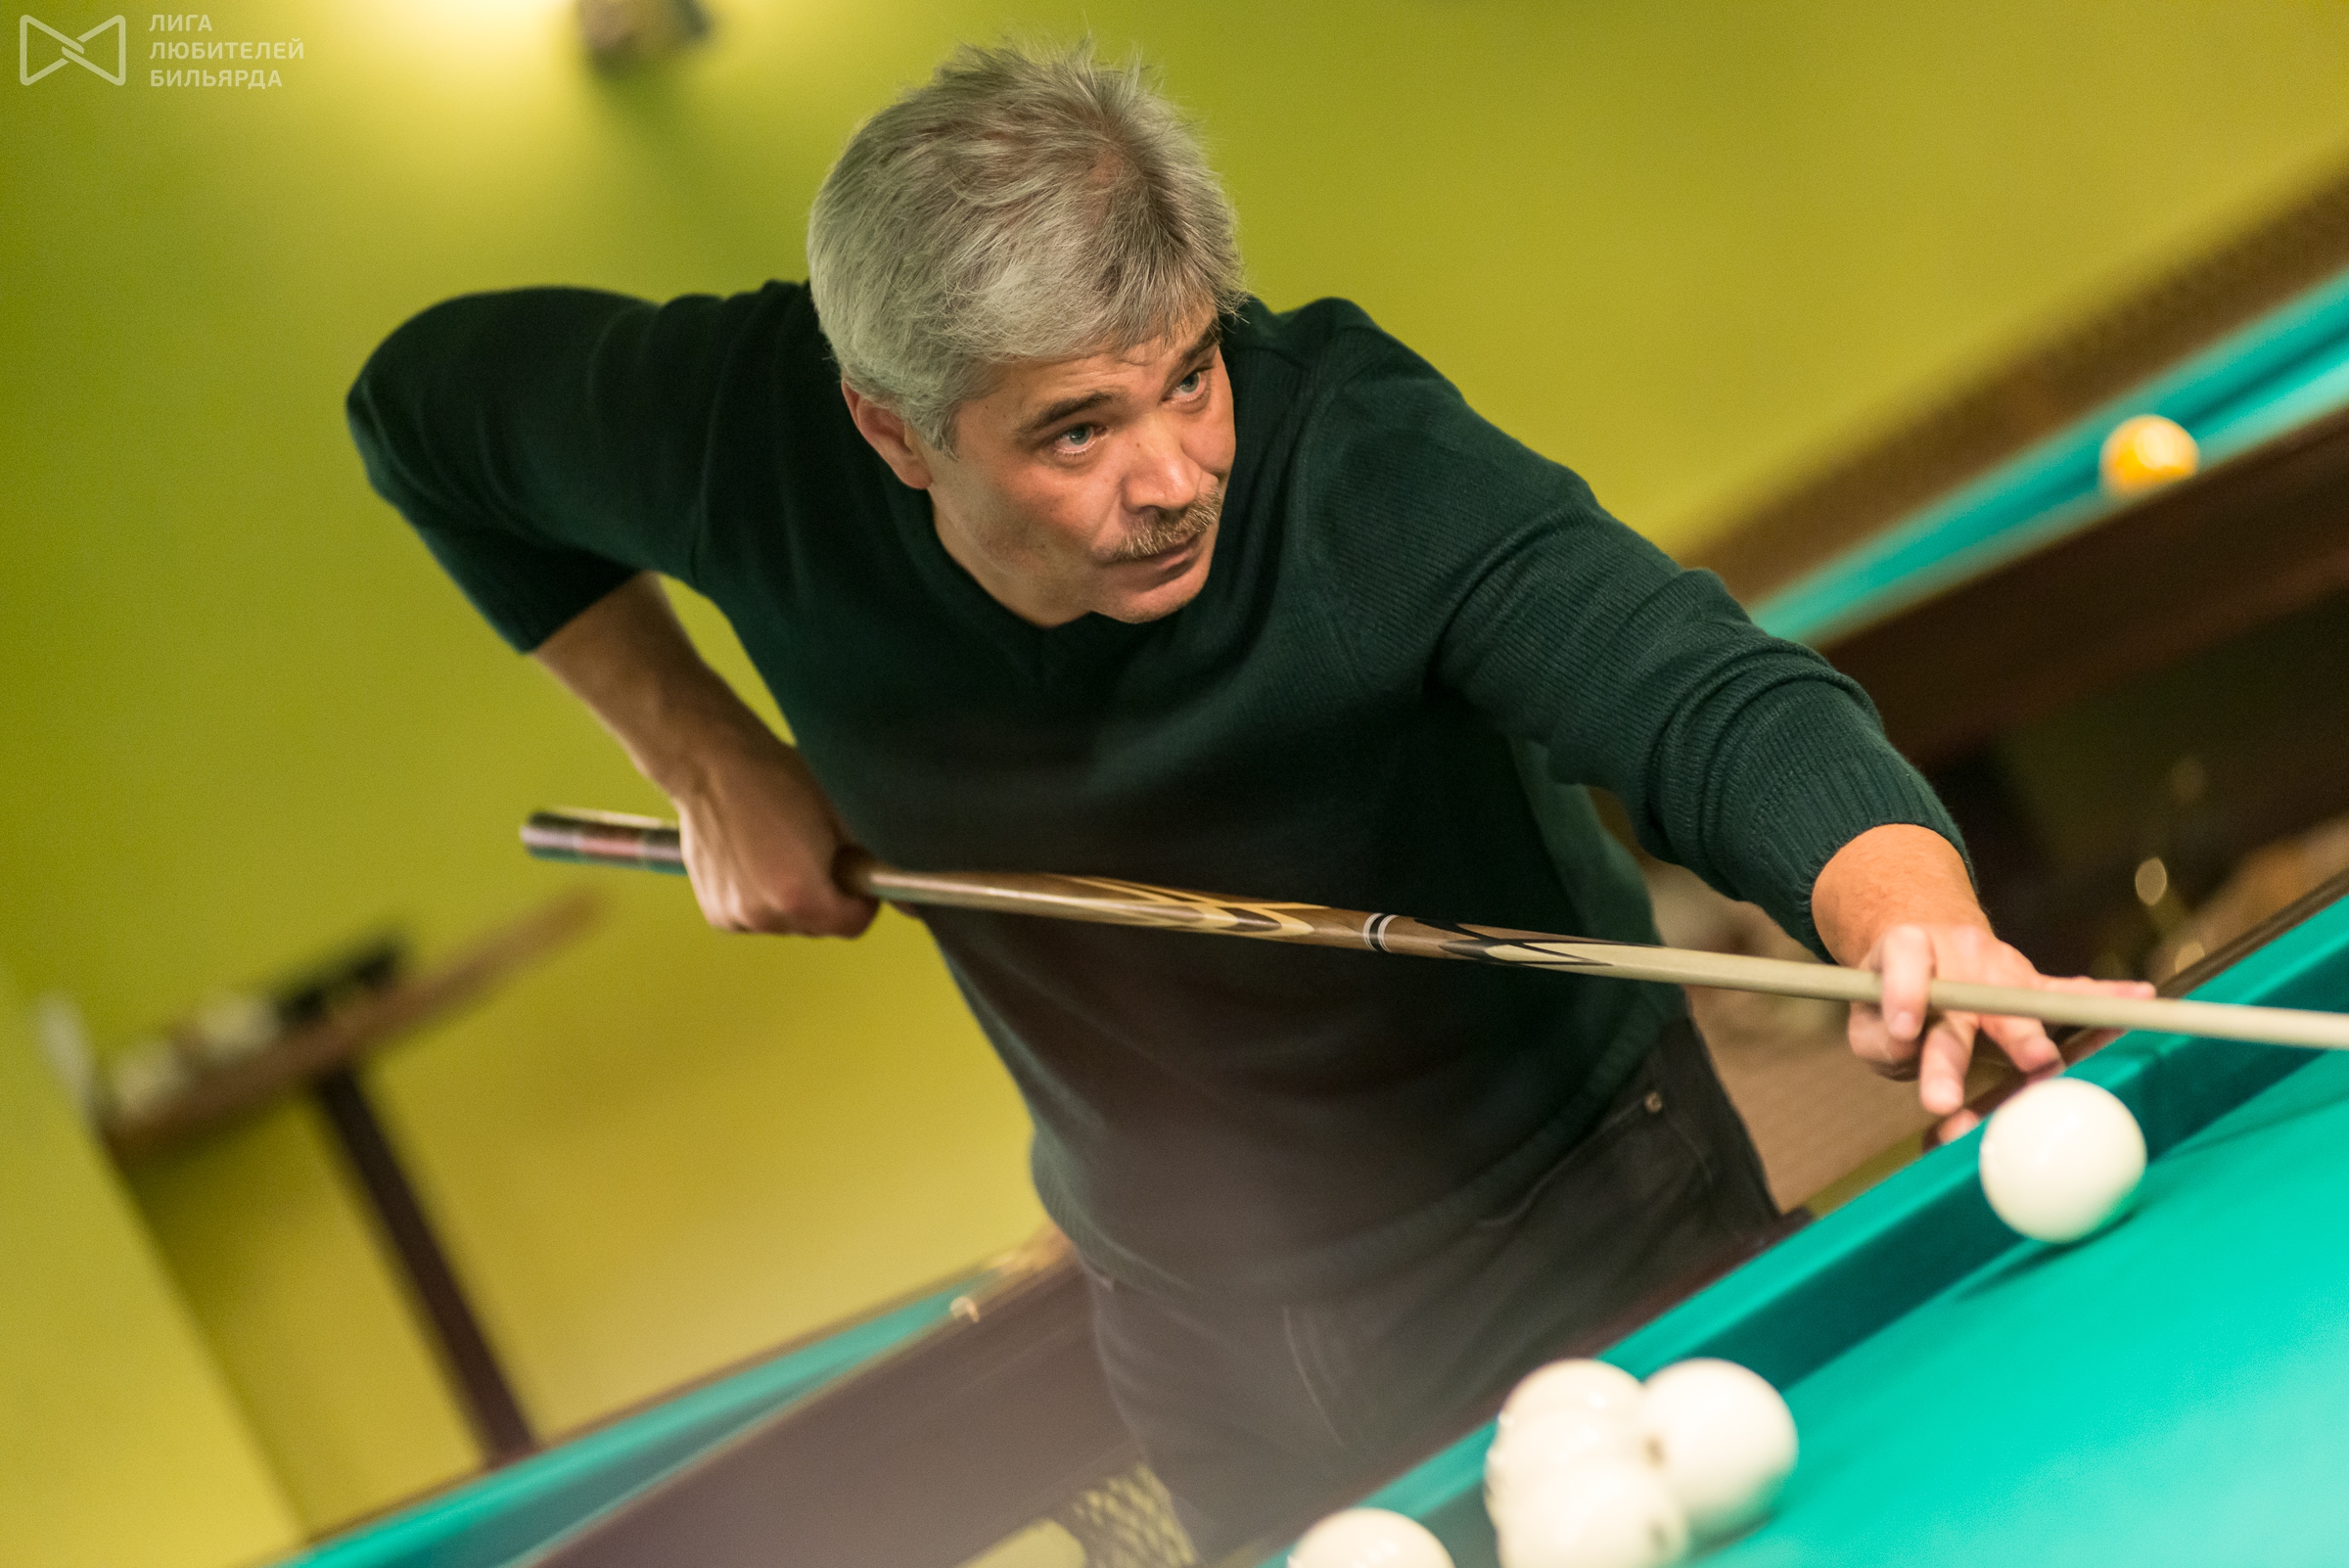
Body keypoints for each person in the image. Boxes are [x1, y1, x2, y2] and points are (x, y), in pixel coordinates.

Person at [346, 40, 2149, 1556]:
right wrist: (704, 753)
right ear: (893, 431)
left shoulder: (1354, 457)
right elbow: (415, 410)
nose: (1174, 474)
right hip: (1190, 1327)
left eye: (1190, 376)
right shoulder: (738, 438)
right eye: (1077, 430)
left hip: (1572, 1212)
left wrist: (1909, 909)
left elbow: (1697, 690)